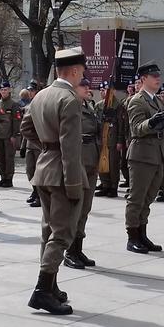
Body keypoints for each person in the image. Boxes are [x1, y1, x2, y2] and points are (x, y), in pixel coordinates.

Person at [20, 47, 88, 315]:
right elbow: (70, 147)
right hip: (62, 174)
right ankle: (41, 290)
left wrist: (46, 147)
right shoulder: (69, 99)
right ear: (72, 71)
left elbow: (25, 128)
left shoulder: (41, 96)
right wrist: (74, 185)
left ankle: (51, 286)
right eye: (81, 72)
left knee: (49, 231)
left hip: (44, 169)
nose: (81, 76)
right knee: (62, 233)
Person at [124, 61, 164, 254]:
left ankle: (142, 233)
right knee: (136, 198)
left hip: (156, 153)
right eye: (153, 76)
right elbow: (136, 129)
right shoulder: (137, 101)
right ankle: (132, 237)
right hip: (141, 154)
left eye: (158, 75)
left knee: (148, 197)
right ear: (143, 79)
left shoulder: (158, 100)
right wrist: (152, 121)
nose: (158, 78)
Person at [64, 78, 99, 269]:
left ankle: (78, 248)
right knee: (75, 210)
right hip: (78, 162)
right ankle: (70, 250)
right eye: (83, 85)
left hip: (91, 161)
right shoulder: (71, 106)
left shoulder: (89, 106)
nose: (88, 88)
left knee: (85, 208)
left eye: (88, 85)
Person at [95, 81, 122, 198]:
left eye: (106, 89)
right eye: (101, 90)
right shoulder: (99, 106)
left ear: (113, 91)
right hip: (101, 139)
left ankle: (113, 187)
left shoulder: (118, 105)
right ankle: (105, 185)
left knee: (113, 165)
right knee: (102, 164)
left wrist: (120, 140)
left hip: (113, 139)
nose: (103, 92)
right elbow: (95, 123)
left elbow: (121, 125)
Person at [0, 81, 21, 188]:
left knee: (9, 158)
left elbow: (16, 120)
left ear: (9, 90)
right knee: (0, 158)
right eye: (2, 90)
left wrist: (15, 135)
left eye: (5, 89)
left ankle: (9, 178)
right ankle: (2, 177)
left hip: (9, 136)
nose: (3, 92)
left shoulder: (14, 105)